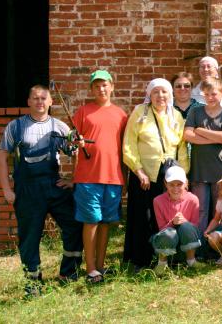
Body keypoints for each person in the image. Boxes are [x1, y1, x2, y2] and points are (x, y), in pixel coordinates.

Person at [0, 85, 83, 296]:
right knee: (30, 237)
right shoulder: (15, 127)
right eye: (35, 98)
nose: (40, 102)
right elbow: (1, 158)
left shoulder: (60, 127)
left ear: (51, 101)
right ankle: (33, 283)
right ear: (28, 101)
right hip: (27, 190)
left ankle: (68, 273)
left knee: (74, 224)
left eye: (44, 98)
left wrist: (73, 179)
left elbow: (75, 152)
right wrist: (7, 190)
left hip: (54, 186)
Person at [122, 78, 189, 270]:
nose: (160, 96)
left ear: (170, 95)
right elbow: (129, 144)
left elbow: (182, 147)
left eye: (164, 92)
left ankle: (165, 257)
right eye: (156, 92)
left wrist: (182, 175)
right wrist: (138, 170)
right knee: (142, 216)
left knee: (166, 214)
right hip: (143, 174)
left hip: (168, 174)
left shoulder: (176, 115)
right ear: (149, 95)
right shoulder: (139, 113)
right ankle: (139, 259)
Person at [72, 70, 128, 284]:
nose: (101, 89)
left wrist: (124, 178)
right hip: (88, 178)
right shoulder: (83, 112)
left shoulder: (121, 115)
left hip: (113, 178)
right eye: (96, 86)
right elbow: (71, 143)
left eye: (104, 85)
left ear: (112, 86)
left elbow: (124, 150)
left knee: (105, 222)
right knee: (91, 221)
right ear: (91, 89)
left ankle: (101, 266)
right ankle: (90, 269)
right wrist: (76, 143)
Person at [183, 77, 222, 236]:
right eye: (206, 94)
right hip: (200, 169)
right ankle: (199, 242)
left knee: (218, 210)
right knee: (200, 209)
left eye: (214, 94)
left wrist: (200, 131)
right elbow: (187, 135)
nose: (210, 97)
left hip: (221, 170)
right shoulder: (195, 112)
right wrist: (215, 139)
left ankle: (216, 243)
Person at [151, 165, 203, 274]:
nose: (175, 189)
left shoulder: (193, 199)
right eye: (171, 185)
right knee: (169, 233)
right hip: (167, 246)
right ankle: (162, 263)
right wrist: (173, 223)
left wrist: (184, 222)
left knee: (186, 227)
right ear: (165, 184)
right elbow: (161, 229)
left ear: (186, 183)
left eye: (179, 184)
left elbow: (195, 227)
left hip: (188, 245)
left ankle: (191, 260)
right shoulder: (158, 201)